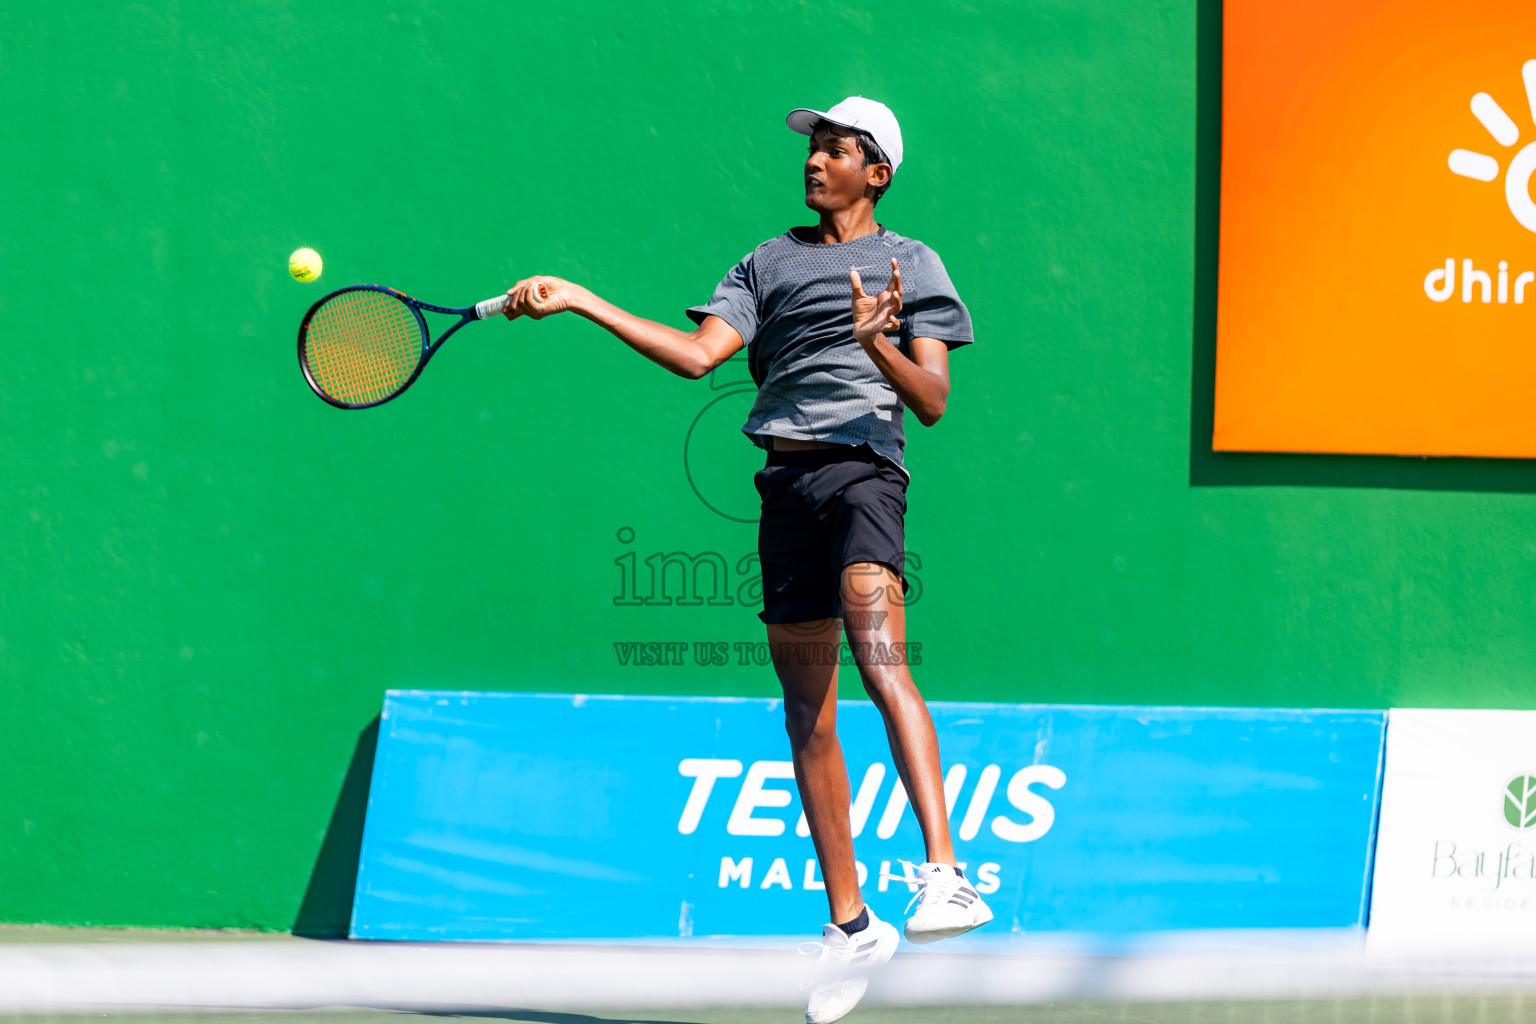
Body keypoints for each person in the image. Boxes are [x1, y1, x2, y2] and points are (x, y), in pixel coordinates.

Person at [499, 96, 987, 1024]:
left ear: (876, 171)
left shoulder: (911, 263)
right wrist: (581, 299)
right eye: (813, 147)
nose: (815, 161)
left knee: (881, 656)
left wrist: (875, 339)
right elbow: (696, 357)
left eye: (837, 149)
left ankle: (947, 878)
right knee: (807, 713)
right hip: (785, 488)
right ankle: (851, 930)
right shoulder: (768, 261)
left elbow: (932, 401)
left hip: (864, 474)